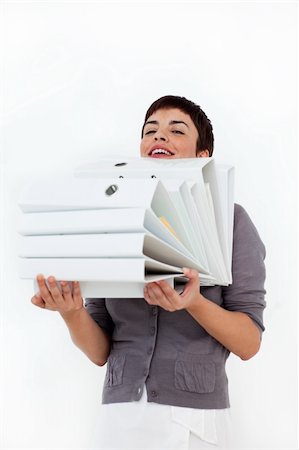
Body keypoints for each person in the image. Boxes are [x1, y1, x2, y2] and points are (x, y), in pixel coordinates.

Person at [31, 95, 266, 449]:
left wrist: (193, 303)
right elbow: (99, 352)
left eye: (176, 130)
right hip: (120, 420)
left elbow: (249, 343)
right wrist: (70, 311)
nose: (159, 137)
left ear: (203, 156)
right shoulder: (113, 221)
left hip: (195, 424)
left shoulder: (231, 223)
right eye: (150, 131)